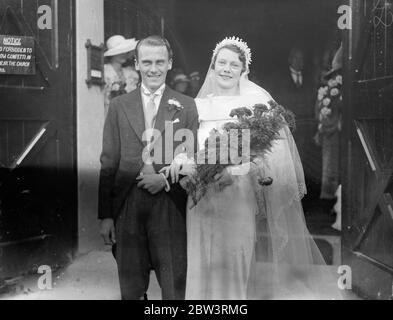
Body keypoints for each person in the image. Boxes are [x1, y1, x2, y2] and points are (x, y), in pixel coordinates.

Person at [162, 37, 342, 300]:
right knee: (201, 261)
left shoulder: (256, 105)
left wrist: (232, 171)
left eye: (233, 65)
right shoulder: (197, 106)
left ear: (243, 70)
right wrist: (184, 165)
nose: (226, 69)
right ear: (213, 66)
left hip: (237, 195)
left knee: (235, 261)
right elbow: (185, 146)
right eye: (221, 63)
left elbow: (269, 161)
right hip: (201, 199)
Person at [98, 35, 199, 300]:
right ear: (137, 64)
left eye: (159, 62)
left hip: (170, 204)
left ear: (169, 64)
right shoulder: (119, 106)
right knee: (131, 286)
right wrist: (106, 215)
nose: (153, 68)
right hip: (128, 203)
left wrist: (165, 180)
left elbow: (191, 156)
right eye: (147, 62)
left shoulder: (186, 106)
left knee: (174, 283)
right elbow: (108, 161)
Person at [104, 35, 140, 116]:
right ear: (112, 54)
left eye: (125, 51)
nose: (123, 54)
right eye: (120, 52)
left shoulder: (131, 74)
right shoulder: (105, 71)